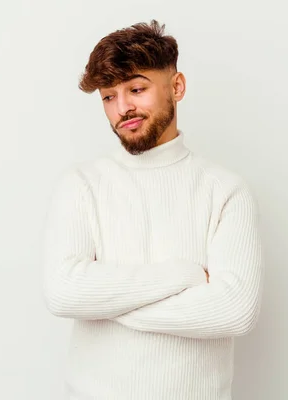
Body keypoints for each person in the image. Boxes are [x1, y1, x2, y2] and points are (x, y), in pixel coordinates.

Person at [41, 19, 264, 400]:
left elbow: (235, 310)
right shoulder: (82, 185)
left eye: (136, 89)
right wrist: (183, 275)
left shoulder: (225, 190)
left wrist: (106, 303)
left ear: (176, 87)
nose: (122, 107)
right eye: (109, 97)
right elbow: (63, 293)